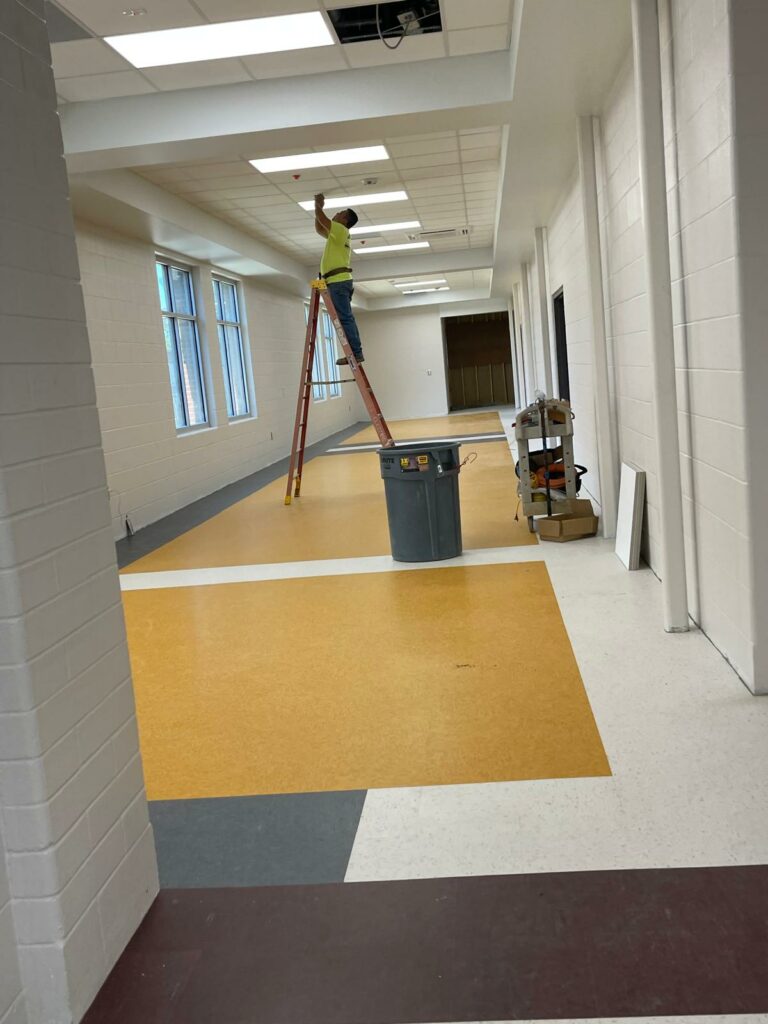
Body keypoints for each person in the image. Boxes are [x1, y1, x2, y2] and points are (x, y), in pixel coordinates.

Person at [314, 193, 364, 365]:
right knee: (345, 317)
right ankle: (355, 352)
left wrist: (319, 205)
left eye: (340, 213)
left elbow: (323, 220)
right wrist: (317, 211)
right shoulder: (336, 235)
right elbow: (320, 227)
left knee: (345, 318)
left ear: (344, 220)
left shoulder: (341, 231)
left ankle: (356, 353)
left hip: (338, 281)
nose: (336, 214)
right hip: (336, 281)